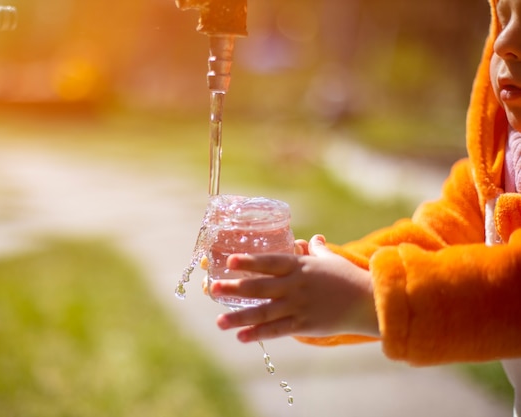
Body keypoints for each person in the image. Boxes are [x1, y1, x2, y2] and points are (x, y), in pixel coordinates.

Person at [208, 0, 521, 414]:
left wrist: (371, 298)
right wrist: (316, 274)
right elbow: (435, 241)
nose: (505, 41)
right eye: (504, 14)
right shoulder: (500, 158)